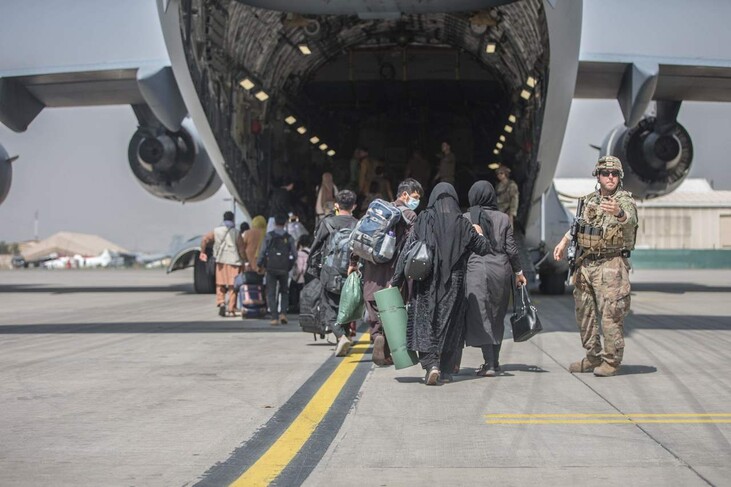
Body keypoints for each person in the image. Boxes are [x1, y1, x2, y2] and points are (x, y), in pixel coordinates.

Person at [391, 182, 489, 385]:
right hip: (454, 283)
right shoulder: (463, 224)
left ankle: (430, 365)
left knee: (424, 323)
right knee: (449, 325)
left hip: (426, 281)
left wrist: (397, 280)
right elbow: (483, 249)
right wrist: (478, 232)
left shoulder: (424, 219)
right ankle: (444, 369)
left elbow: (407, 251)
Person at [553, 155, 638, 377]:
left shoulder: (624, 201)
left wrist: (618, 213)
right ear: (598, 176)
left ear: (620, 177)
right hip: (586, 264)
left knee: (611, 314)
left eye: (614, 174)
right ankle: (592, 357)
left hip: (611, 264)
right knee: (585, 313)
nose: (610, 177)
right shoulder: (590, 200)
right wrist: (564, 242)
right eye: (605, 173)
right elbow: (578, 225)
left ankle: (611, 361)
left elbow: (629, 220)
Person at [348, 178, 423, 366]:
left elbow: (360, 236)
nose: (416, 200)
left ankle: (376, 336)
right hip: (393, 271)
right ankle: (386, 345)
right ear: (404, 194)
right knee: (392, 308)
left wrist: (353, 262)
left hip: (371, 269)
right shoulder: (410, 216)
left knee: (373, 303)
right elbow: (410, 247)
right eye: (415, 196)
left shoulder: (378, 211)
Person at [464, 181, 527, 376]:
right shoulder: (503, 218)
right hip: (501, 270)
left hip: (476, 269)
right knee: (497, 315)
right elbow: (512, 249)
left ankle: (489, 364)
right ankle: (495, 362)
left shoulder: (466, 217)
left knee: (481, 315)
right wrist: (519, 272)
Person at [308, 189, 359, 356]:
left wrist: (313, 268)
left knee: (328, 305)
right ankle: (343, 337)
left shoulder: (327, 223)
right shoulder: (358, 224)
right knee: (347, 305)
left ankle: (340, 336)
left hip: (330, 271)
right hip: (352, 272)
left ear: (336, 205)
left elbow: (315, 247)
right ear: (354, 206)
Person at [200, 211, 246, 317]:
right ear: (233, 219)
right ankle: (231, 308)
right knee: (232, 286)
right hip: (234, 262)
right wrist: (244, 260)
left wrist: (202, 252)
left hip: (220, 261)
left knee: (220, 284)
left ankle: (221, 302)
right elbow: (241, 249)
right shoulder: (236, 232)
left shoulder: (216, 231)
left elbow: (204, 239)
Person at [258, 214, 298, 325]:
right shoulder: (289, 237)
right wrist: (289, 264)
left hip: (271, 268)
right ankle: (283, 314)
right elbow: (295, 254)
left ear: (275, 223)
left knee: (271, 293)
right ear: (285, 223)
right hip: (284, 268)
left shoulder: (269, 236)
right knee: (284, 291)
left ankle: (274, 317)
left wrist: (260, 264)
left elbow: (262, 252)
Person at [289, 234, 313, 314]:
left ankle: (296, 307)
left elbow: (300, 268)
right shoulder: (311, 252)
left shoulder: (300, 253)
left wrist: (295, 278)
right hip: (310, 277)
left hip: (301, 278)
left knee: (295, 291)